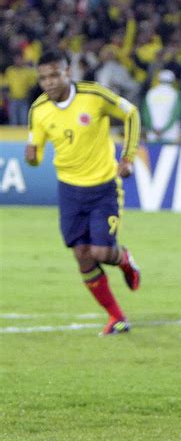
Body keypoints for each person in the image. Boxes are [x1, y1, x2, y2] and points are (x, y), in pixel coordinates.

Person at [25, 49, 141, 336]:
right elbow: (35, 154)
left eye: (54, 75)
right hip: (69, 191)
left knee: (101, 251)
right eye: (43, 78)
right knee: (82, 254)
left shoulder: (94, 96)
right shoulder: (38, 111)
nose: (49, 82)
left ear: (68, 72)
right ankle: (116, 316)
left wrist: (127, 157)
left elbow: (131, 114)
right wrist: (31, 156)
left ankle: (124, 259)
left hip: (103, 187)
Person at [142, 69, 181, 142]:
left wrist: (153, 128)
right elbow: (176, 114)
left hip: (153, 133)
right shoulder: (175, 94)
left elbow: (145, 114)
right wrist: (164, 129)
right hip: (170, 134)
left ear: (159, 79)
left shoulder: (150, 93)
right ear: (173, 81)